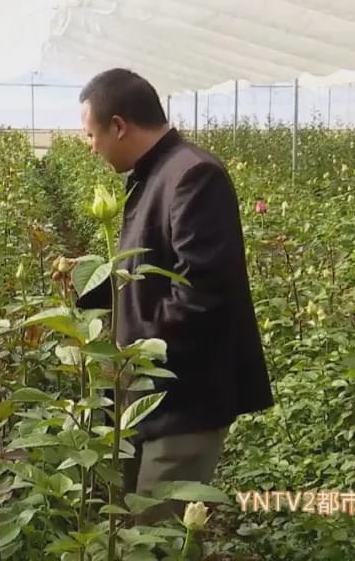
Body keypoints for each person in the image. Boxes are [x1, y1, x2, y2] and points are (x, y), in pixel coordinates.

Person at [75, 68, 273, 524]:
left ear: (119, 125)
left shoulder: (192, 175)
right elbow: (149, 270)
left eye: (91, 135)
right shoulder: (154, 173)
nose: (91, 148)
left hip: (183, 397)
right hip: (149, 391)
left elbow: (200, 292)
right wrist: (85, 282)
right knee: (131, 524)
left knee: (157, 532)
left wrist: (132, 358)